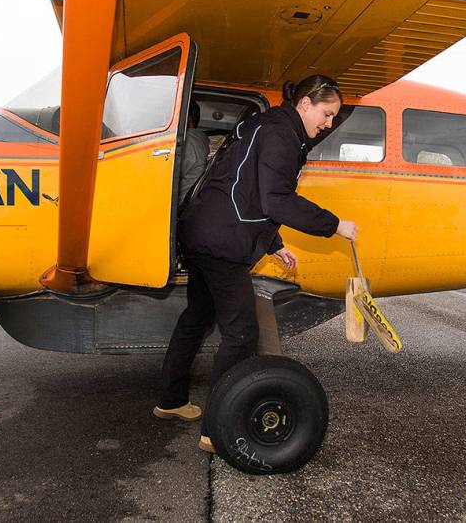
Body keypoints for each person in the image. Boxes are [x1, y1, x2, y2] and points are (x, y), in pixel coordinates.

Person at [151, 75, 359, 453]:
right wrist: (334, 224)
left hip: (203, 231)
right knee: (242, 333)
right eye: (327, 114)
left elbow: (241, 186)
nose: (328, 123)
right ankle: (218, 429)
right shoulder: (282, 135)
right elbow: (275, 200)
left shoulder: (266, 125)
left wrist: (274, 243)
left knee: (197, 317)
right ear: (306, 103)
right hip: (222, 242)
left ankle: (170, 401)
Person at [177, 100, 210, 203]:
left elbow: (171, 175)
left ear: (188, 118)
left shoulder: (189, 141)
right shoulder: (198, 140)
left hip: (178, 204)